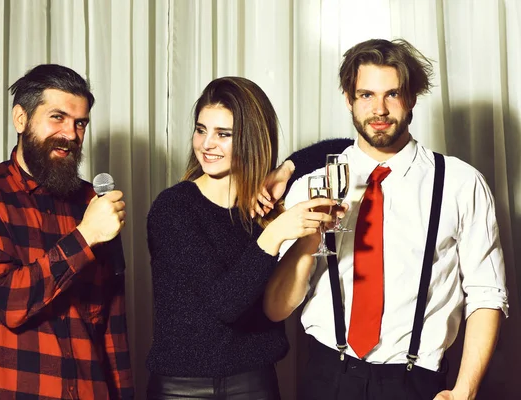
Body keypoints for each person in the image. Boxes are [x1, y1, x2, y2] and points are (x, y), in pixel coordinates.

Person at [261, 39, 508, 399]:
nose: (379, 109)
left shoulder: (460, 182)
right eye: (365, 95)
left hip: (415, 382)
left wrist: (465, 390)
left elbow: (487, 293)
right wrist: (309, 240)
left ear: (411, 98)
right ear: (348, 98)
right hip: (326, 376)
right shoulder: (312, 185)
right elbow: (276, 308)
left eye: (392, 94)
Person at [0, 64, 134, 399]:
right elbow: (8, 301)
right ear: (21, 119)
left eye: (80, 123)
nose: (72, 134)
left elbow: (111, 326)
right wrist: (85, 236)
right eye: (57, 117)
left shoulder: (93, 202)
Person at [145, 76, 334, 399]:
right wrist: (273, 234)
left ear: (250, 139)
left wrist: (286, 170)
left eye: (223, 134)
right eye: (201, 130)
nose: (206, 144)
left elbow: (344, 147)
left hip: (255, 383)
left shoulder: (262, 206)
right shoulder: (174, 208)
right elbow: (225, 304)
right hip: (182, 389)